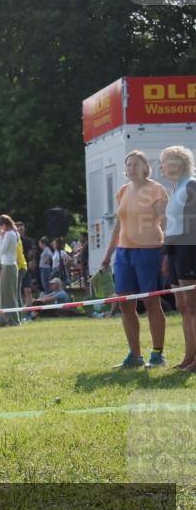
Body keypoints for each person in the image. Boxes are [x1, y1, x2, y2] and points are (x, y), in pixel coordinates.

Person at [99, 151, 170, 369]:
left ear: (145, 167)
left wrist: (167, 252)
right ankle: (135, 355)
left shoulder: (157, 190)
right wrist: (107, 256)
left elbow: (165, 222)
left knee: (151, 302)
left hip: (149, 251)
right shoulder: (123, 191)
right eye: (128, 164)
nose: (131, 168)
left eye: (136, 164)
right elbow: (118, 227)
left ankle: (157, 355)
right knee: (125, 305)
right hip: (123, 253)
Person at [160, 145, 196, 371]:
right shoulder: (176, 188)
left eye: (164, 161)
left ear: (177, 163)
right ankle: (189, 357)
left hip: (189, 249)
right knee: (182, 306)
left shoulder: (192, 184)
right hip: (175, 251)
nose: (161, 166)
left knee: (193, 306)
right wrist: (166, 254)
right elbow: (173, 226)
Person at [0, 215, 21, 326]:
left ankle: (12, 320)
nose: (1, 229)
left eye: (1, 226)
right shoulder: (13, 233)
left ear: (4, 225)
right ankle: (4, 319)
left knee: (9, 295)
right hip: (7, 264)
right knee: (4, 294)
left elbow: (1, 251)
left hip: (8, 265)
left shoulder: (9, 234)